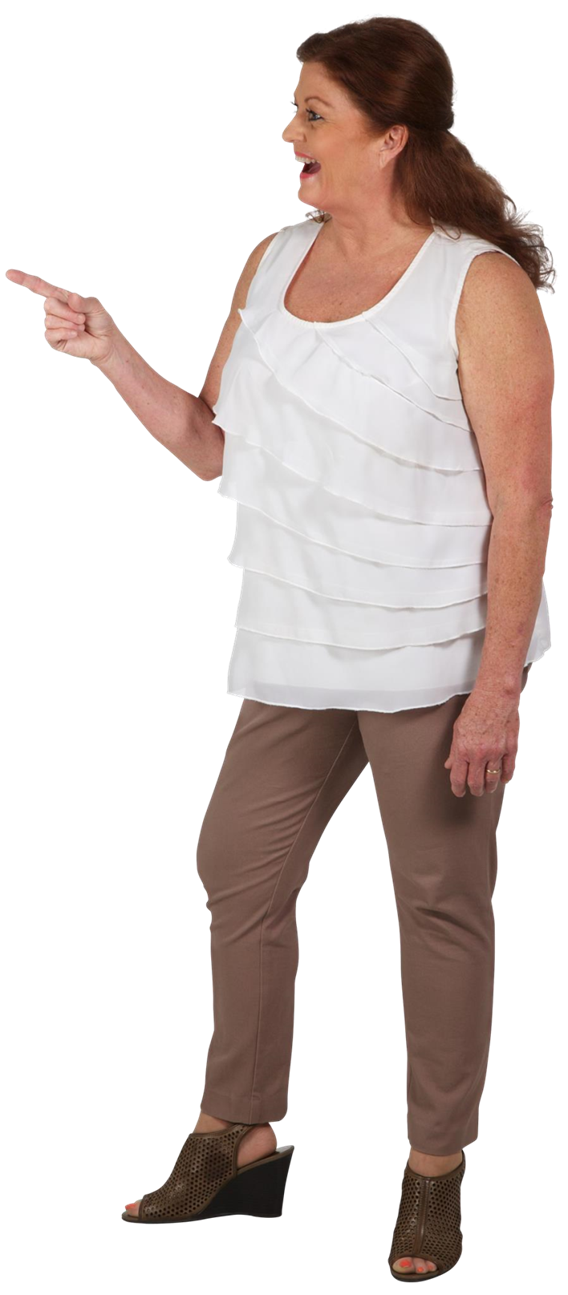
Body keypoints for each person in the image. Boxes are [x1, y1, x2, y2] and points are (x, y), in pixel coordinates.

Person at [5, 33, 552, 1267]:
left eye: (313, 113)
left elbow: (525, 499)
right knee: (235, 864)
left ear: (390, 136)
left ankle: (433, 1166)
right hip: (300, 630)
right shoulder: (274, 256)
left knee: (437, 899)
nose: (288, 134)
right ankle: (239, 1128)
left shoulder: (475, 286)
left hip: (432, 644)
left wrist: (496, 688)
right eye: (293, 110)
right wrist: (108, 349)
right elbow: (214, 446)